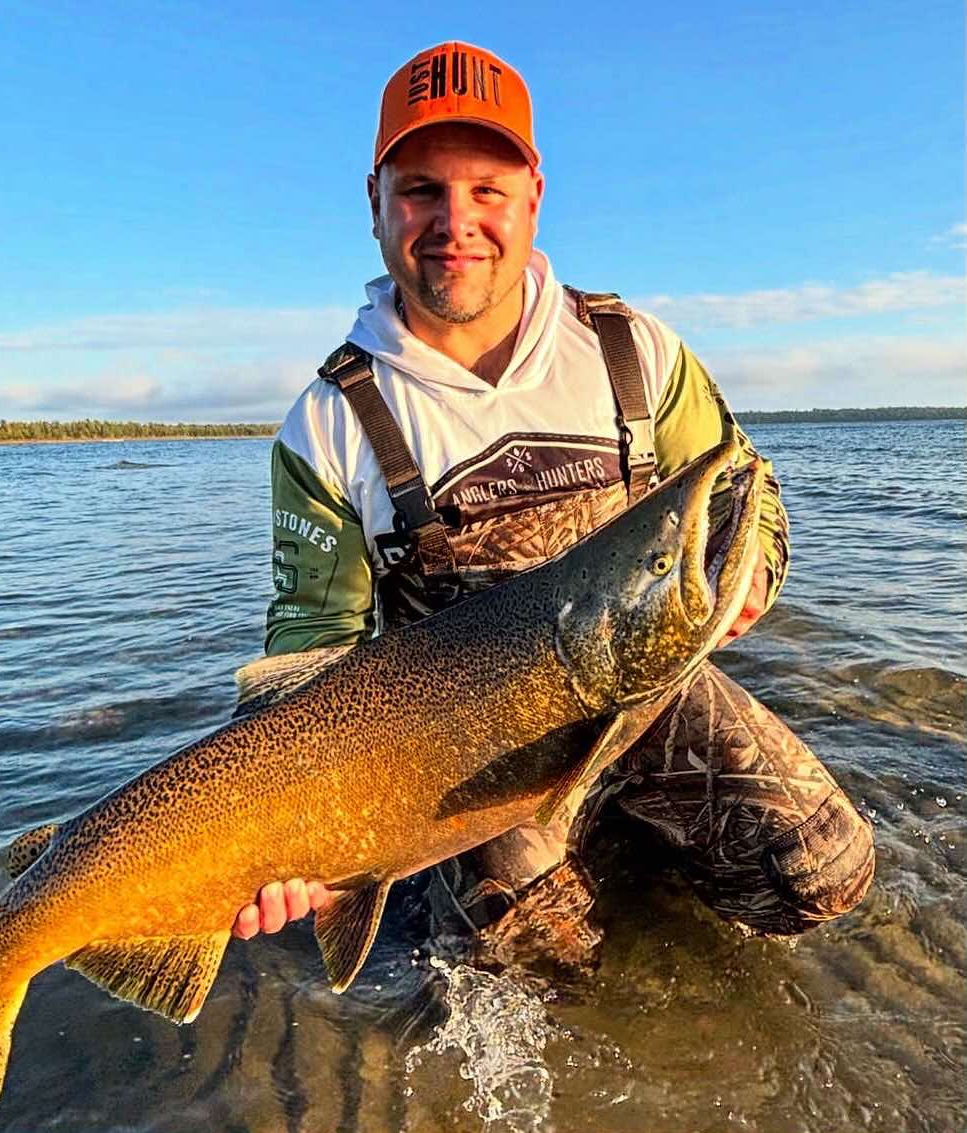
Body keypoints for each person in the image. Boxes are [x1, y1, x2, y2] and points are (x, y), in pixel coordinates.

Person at [230, 43, 874, 955]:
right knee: (524, 956)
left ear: (532, 194)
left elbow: (746, 494)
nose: (455, 222)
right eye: (421, 189)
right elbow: (309, 649)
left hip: (648, 696)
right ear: (374, 201)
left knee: (823, 874)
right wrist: (292, 830)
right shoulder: (328, 423)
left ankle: (645, 881)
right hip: (458, 755)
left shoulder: (632, 349)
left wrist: (750, 577)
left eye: (486, 189)